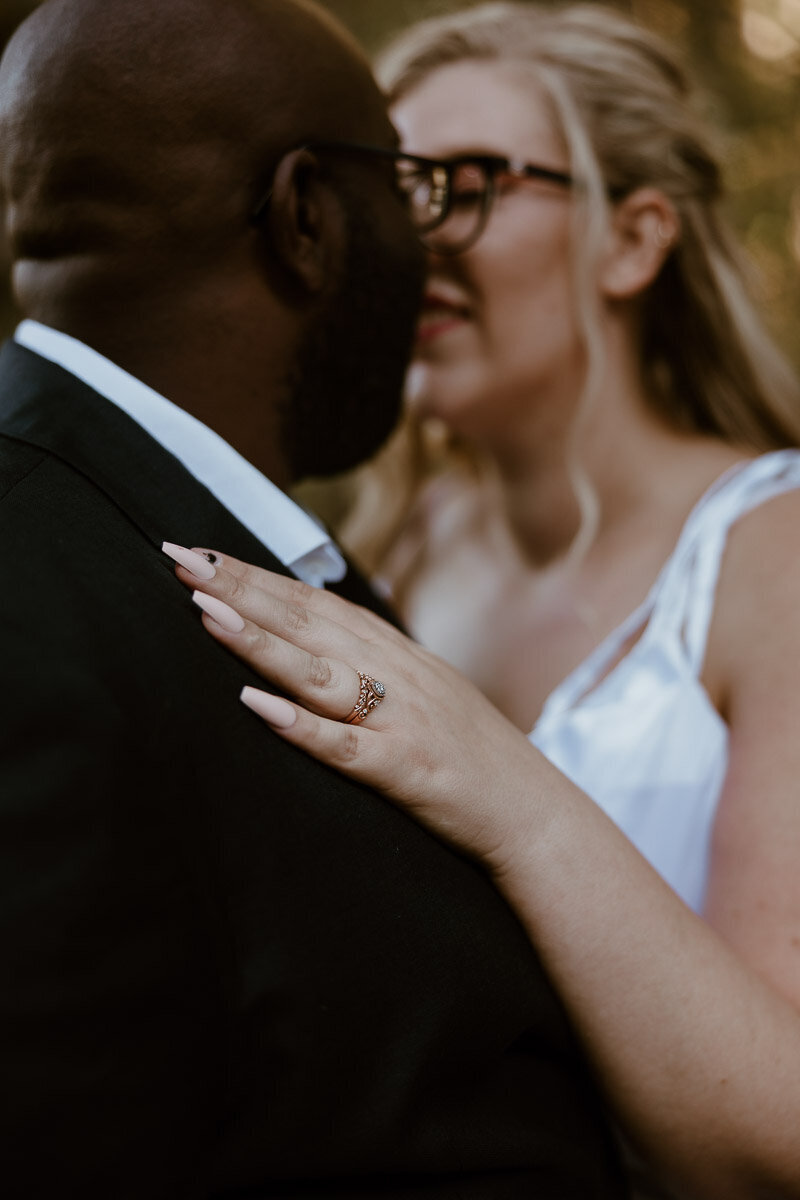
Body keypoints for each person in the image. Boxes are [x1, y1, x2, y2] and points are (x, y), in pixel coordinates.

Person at [164, 3, 800, 1197]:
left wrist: (501, 785)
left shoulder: (777, 557)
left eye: (466, 183)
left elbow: (776, 1138)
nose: (411, 243)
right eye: (394, 193)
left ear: (633, 240)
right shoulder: (381, 549)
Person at [0, 0, 631, 1196]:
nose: (428, 241)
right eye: (407, 184)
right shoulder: (32, 601)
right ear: (306, 218)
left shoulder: (208, 542)